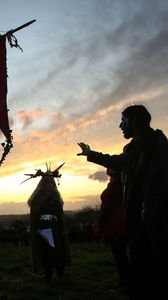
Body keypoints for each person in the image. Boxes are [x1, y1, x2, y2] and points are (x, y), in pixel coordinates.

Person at [77, 104, 168, 299]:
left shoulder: (161, 148)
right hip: (136, 218)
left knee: (156, 263)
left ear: (134, 121)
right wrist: (90, 154)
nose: (120, 126)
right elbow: (116, 162)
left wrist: (153, 209)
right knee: (140, 263)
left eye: (123, 121)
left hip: (155, 219)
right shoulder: (133, 148)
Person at [26, 167, 71, 282]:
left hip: (56, 229)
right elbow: (35, 215)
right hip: (43, 229)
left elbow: (60, 215)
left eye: (52, 182)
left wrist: (62, 228)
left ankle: (60, 272)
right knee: (46, 253)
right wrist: (37, 228)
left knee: (59, 252)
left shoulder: (56, 198)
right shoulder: (37, 198)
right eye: (47, 182)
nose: (50, 184)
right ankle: (48, 275)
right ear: (43, 184)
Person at [93, 168, 128, 294]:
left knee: (120, 257)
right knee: (122, 256)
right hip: (120, 223)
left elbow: (107, 209)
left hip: (116, 225)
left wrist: (99, 226)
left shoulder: (116, 187)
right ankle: (125, 283)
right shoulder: (121, 184)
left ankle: (124, 285)